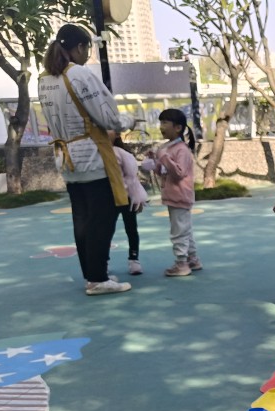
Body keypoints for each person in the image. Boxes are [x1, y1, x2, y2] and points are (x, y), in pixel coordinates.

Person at [38, 23, 138, 295]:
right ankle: (98, 277)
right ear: (80, 47)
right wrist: (129, 121)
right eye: (87, 48)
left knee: (82, 218)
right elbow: (108, 117)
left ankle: (91, 274)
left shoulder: (44, 79)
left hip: (66, 157)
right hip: (92, 155)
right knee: (102, 217)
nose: (87, 54)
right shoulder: (79, 74)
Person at [140, 109, 201, 277]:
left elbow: (179, 173)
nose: (161, 126)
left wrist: (163, 157)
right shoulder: (169, 147)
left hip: (180, 195)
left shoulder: (181, 149)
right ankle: (193, 259)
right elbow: (164, 172)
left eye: (165, 123)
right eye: (161, 122)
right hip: (174, 195)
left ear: (178, 127)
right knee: (185, 229)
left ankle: (182, 264)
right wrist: (155, 162)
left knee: (179, 231)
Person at [110, 131, 149, 274]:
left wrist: (137, 197)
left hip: (126, 197)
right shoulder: (98, 153)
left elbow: (132, 178)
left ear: (116, 134)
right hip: (107, 198)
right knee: (106, 230)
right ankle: (103, 261)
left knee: (131, 228)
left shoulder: (122, 153)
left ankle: (134, 259)